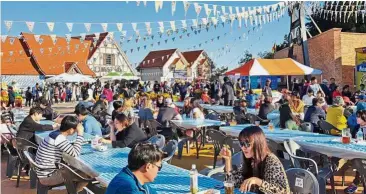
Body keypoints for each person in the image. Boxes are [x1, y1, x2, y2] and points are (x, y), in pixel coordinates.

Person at [220, 126, 290, 193]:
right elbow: (233, 183)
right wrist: (228, 160)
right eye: (241, 144)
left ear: (258, 144)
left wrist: (257, 181)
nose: (243, 147)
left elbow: (282, 191)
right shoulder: (250, 159)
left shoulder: (271, 161)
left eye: (247, 144)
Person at [35, 116, 88, 192]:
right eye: (75, 130)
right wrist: (80, 134)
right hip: (48, 176)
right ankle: (75, 191)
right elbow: (75, 153)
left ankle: (74, 191)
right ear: (70, 130)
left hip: (43, 172)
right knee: (85, 175)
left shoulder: (54, 134)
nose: (76, 131)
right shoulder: (59, 138)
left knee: (75, 168)